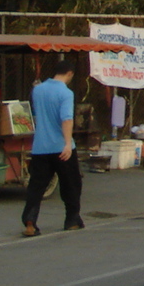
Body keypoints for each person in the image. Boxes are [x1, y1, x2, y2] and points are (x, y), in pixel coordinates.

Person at [22, 60, 82, 237]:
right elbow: (67, 119)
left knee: (36, 186)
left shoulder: (37, 90)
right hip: (61, 147)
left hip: (40, 146)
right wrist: (67, 144)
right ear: (70, 73)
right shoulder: (66, 93)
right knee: (71, 183)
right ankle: (72, 219)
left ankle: (30, 222)